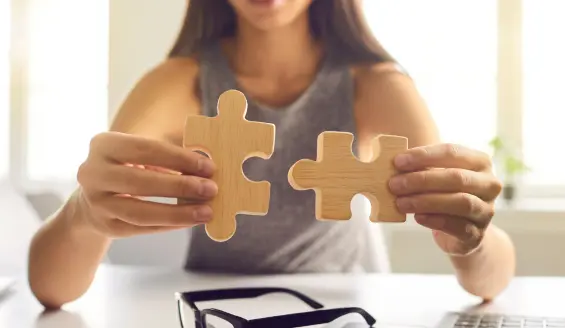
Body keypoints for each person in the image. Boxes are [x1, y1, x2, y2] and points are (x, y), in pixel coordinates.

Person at [28, 0, 516, 309]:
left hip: (337, 310)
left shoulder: (375, 84)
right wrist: (83, 214)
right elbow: (52, 292)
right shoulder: (180, 81)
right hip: (212, 308)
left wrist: (471, 237)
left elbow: (487, 283)